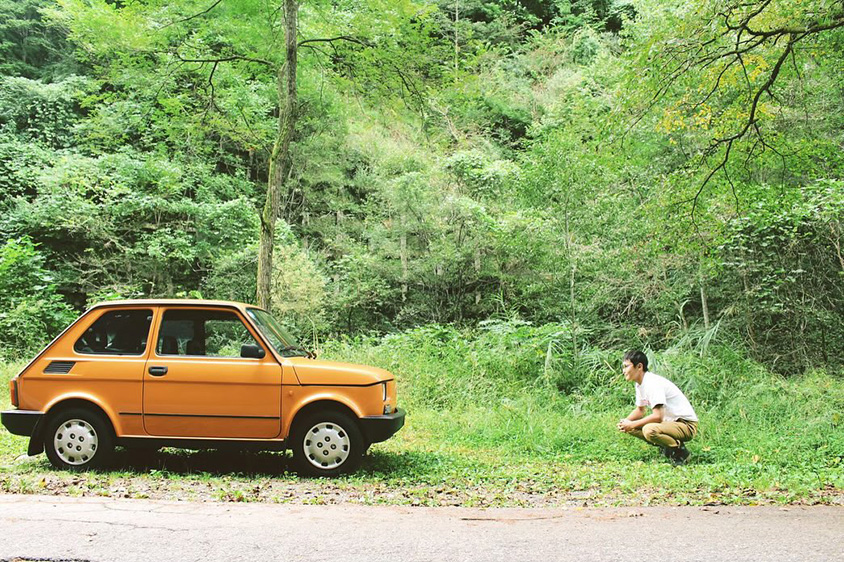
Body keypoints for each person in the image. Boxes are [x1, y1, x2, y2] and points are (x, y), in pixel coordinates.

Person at [616, 350, 699, 465]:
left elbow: (658, 416)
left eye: (626, 366)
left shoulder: (652, 383)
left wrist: (631, 424)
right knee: (632, 427)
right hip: (669, 423)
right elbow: (640, 410)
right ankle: (666, 446)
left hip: (686, 425)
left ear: (639, 366)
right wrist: (625, 422)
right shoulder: (640, 384)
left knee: (649, 430)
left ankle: (680, 451)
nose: (623, 371)